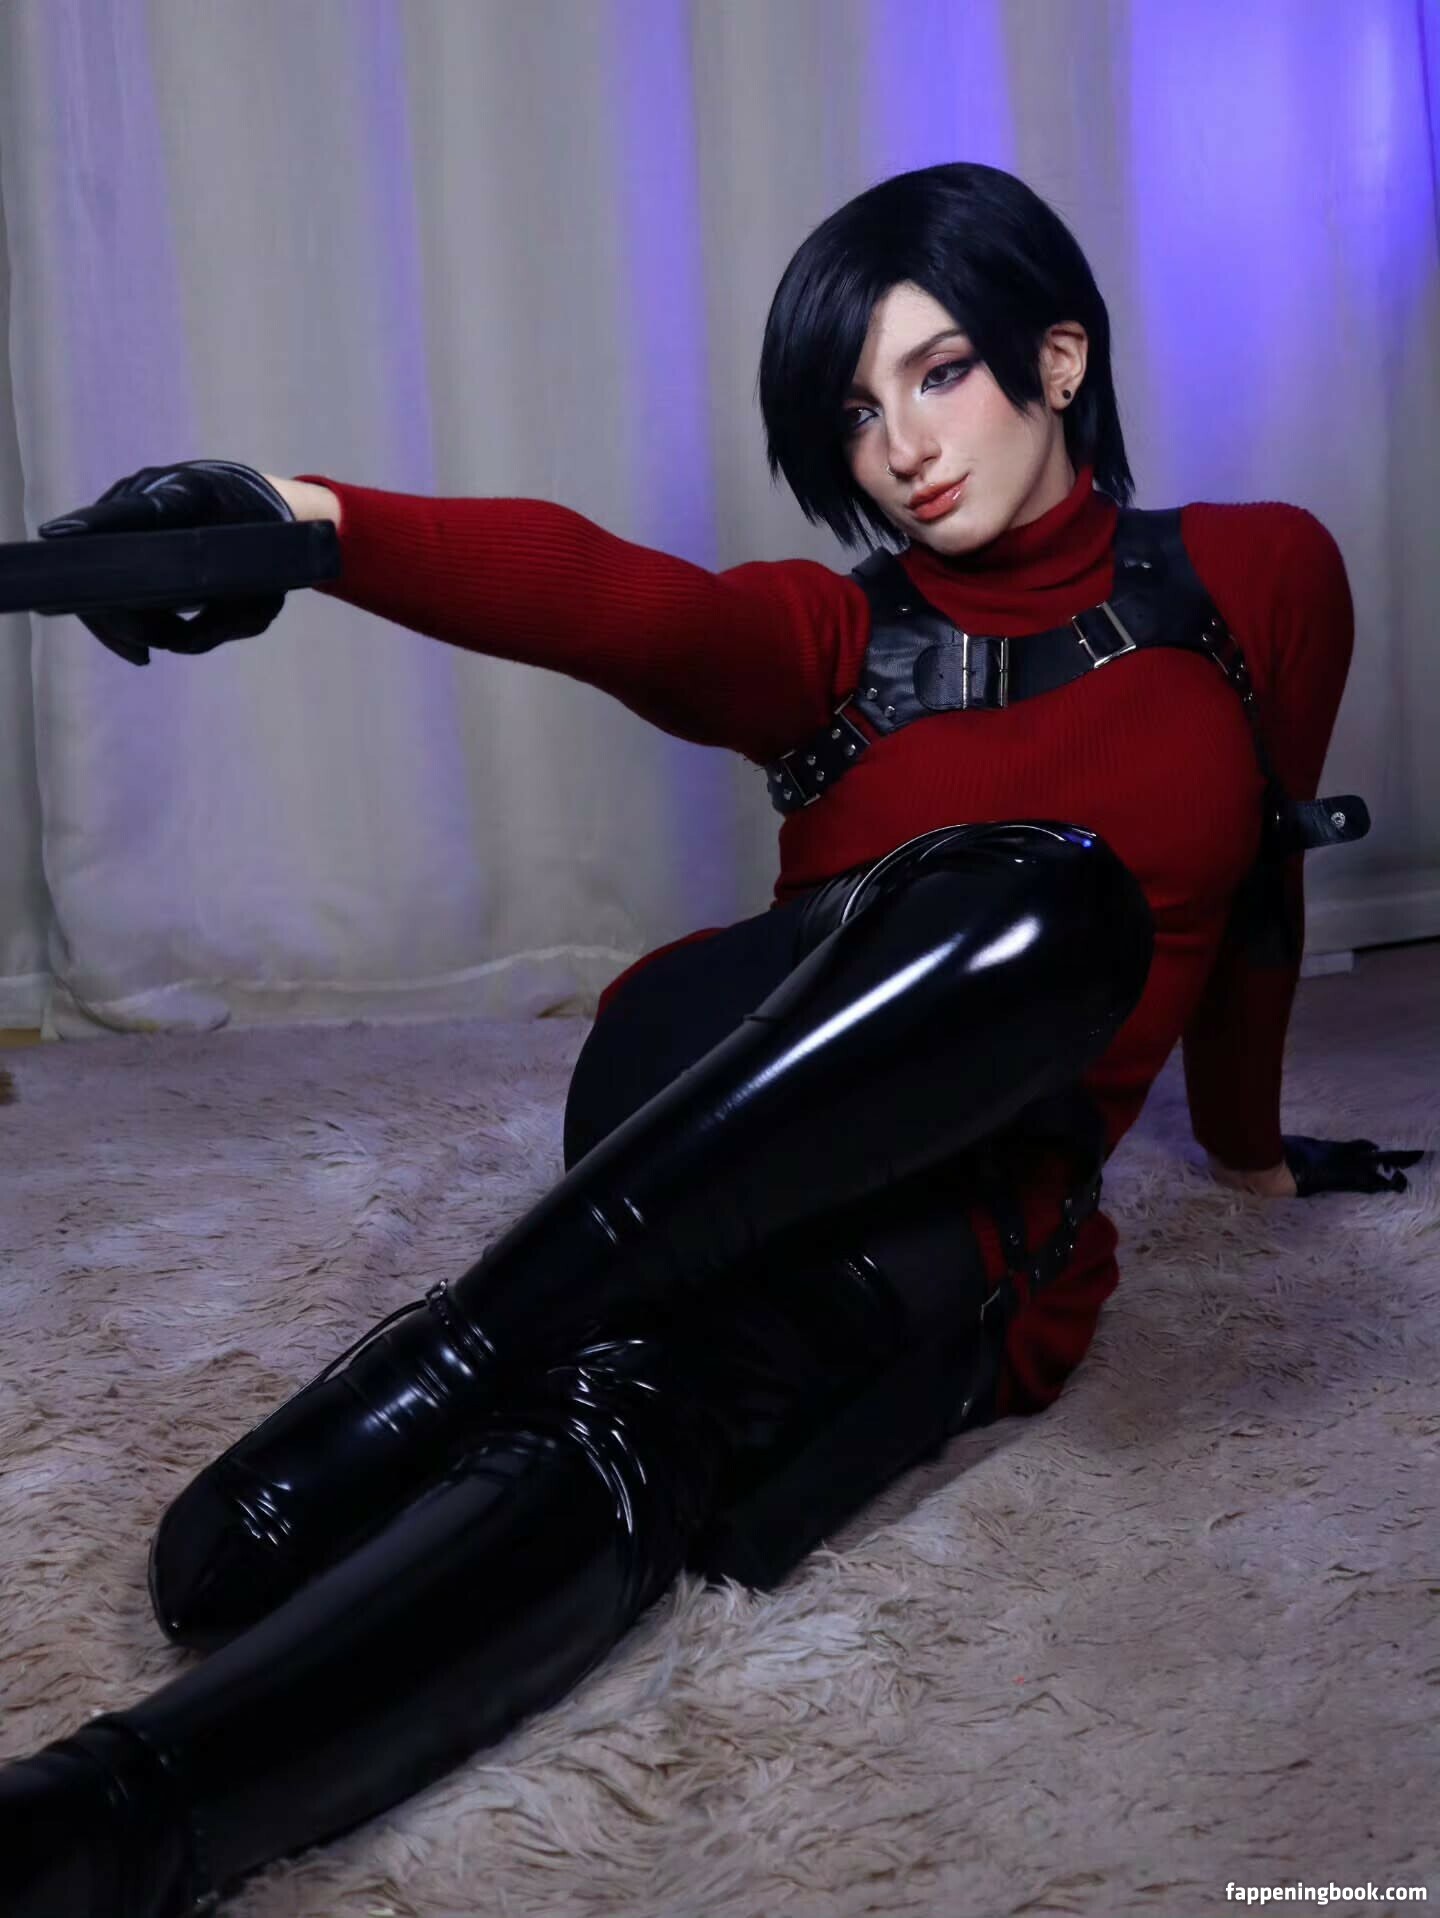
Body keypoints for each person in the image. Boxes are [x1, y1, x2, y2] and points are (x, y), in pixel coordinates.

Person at [4, 161, 1421, 1918]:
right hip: (698, 1102)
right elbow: (608, 600)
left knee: (654, 1407)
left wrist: (1249, 1146)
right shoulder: (831, 637)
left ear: (1059, 359)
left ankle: (90, 1826)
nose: (901, 448)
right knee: (1035, 900)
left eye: (939, 373)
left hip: (952, 1213)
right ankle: (448, 1353)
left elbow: (1259, 894)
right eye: (858, 411)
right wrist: (294, 520)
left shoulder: (1259, 576)